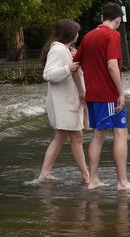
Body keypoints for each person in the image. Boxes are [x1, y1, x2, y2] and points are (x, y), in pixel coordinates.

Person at [73, 2, 130, 190]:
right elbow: (112, 66)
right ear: (118, 20)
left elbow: (74, 66)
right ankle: (122, 182)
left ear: (101, 18)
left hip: (93, 95)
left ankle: (93, 179)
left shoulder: (88, 36)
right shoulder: (112, 35)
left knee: (98, 136)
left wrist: (81, 90)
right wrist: (121, 92)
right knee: (121, 133)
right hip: (108, 95)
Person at [38, 19, 89, 184]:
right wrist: (69, 68)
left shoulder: (64, 49)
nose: (78, 35)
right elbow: (48, 74)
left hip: (65, 100)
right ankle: (87, 176)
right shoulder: (58, 50)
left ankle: (45, 173)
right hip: (64, 102)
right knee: (77, 137)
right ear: (71, 34)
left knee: (60, 136)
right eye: (77, 32)